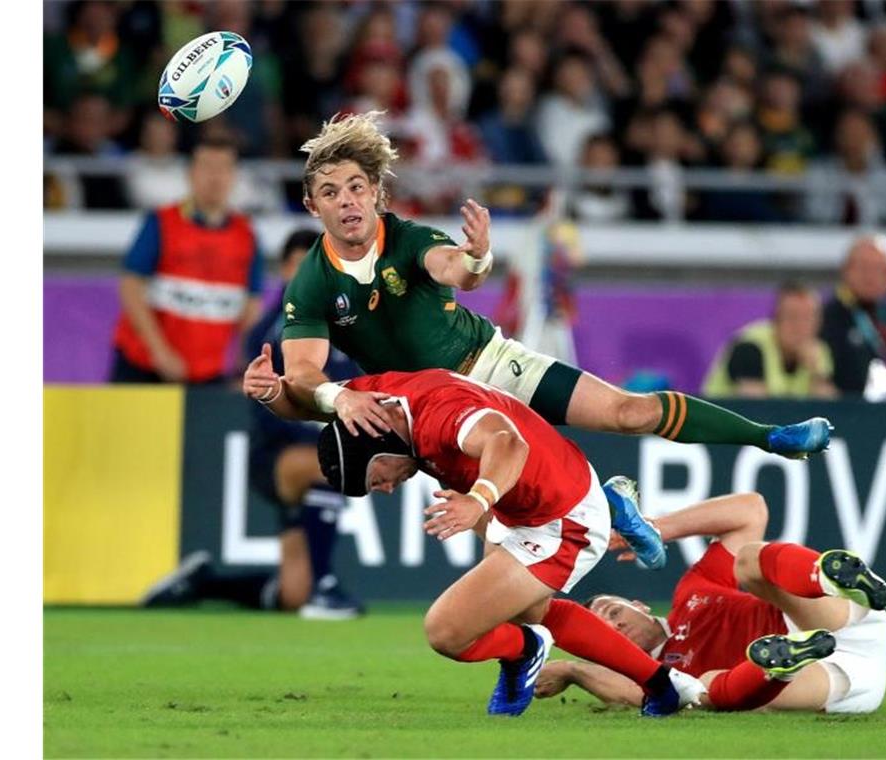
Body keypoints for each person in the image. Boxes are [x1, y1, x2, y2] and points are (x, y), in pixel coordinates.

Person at [242, 112, 830, 463]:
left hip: (492, 365)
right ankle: (608, 516)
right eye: (330, 191)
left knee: (627, 412)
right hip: (424, 409)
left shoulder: (408, 236)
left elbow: (457, 271)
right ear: (310, 204)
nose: (346, 200)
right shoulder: (312, 280)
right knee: (506, 527)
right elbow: (304, 379)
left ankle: (769, 437)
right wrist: (309, 395)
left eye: (355, 187)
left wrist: (479, 255)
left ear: (376, 192)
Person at [311, 368, 707, 717]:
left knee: (446, 631)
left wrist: (477, 500)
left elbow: (508, 442)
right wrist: (274, 392)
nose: (385, 489)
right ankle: (663, 684)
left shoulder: (439, 417)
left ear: (378, 444)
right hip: (524, 502)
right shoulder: (372, 398)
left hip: (560, 515)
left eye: (375, 478)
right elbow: (304, 392)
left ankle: (525, 649)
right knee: (534, 610)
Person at [141, 231, 363, 618]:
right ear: (285, 270)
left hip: (312, 451)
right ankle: (326, 588)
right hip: (276, 455)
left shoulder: (348, 321)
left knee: (293, 593)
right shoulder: (275, 329)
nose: (306, 274)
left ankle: (205, 581)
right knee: (328, 467)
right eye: (297, 265)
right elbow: (268, 409)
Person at [534, 491, 886, 714]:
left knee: (749, 561)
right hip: (841, 681)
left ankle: (825, 576)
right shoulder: (650, 676)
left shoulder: (693, 589)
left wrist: (656, 529)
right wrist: (573, 670)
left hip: (824, 616)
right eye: (604, 631)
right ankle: (779, 664)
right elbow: (635, 695)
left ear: (639, 604)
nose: (614, 626)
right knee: (703, 691)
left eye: (613, 612)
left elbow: (751, 510)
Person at [111, 135, 264, 383]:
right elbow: (131, 287)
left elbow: (251, 305)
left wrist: (243, 363)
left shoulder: (247, 235)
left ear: (234, 176)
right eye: (207, 167)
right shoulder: (162, 222)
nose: (215, 177)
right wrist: (160, 352)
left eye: (224, 168)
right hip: (142, 365)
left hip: (207, 375)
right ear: (190, 173)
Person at [820, 235, 886, 397]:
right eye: (864, 267)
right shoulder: (826, 318)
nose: (871, 276)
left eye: (879, 269)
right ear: (846, 270)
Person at [702, 283, 836, 399]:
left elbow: (829, 410)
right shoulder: (749, 347)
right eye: (792, 317)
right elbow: (758, 410)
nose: (800, 326)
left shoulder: (819, 351)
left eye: (808, 318)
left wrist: (817, 373)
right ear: (776, 319)